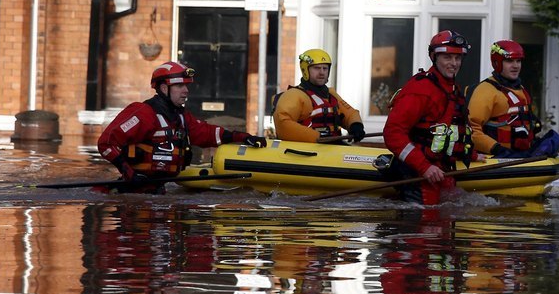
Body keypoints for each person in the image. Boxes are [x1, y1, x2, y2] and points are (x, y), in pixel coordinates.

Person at [97, 61, 266, 189]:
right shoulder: (143, 113)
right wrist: (129, 174)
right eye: (180, 85)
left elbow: (206, 133)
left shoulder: (181, 117)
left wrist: (243, 137)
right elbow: (106, 144)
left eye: (186, 85)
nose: (186, 90)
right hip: (133, 190)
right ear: (164, 88)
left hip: (158, 190)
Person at [383, 30, 479, 205]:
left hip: (439, 168)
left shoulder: (452, 89)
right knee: (428, 219)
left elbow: (450, 130)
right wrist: (424, 167)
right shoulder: (421, 90)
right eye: (447, 57)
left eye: (458, 58)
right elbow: (393, 132)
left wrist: (469, 154)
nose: (454, 63)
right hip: (417, 171)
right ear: (434, 57)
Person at [273, 48, 366, 143]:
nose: (322, 72)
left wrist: (356, 125)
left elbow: (350, 113)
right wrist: (318, 137)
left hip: (332, 147)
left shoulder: (331, 95)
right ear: (305, 70)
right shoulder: (294, 95)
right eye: (317, 68)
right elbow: (283, 124)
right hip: (306, 149)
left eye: (325, 68)